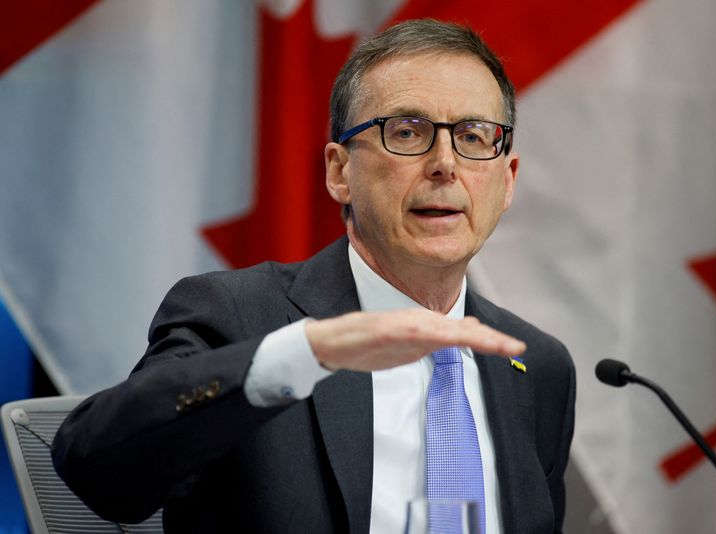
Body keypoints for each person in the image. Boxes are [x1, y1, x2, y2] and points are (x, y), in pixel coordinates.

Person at [52, 19, 575, 534]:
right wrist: (304, 354)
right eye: (407, 132)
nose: (444, 164)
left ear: (506, 181)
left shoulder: (537, 365)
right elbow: (100, 473)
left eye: (474, 136)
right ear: (339, 171)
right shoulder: (236, 316)